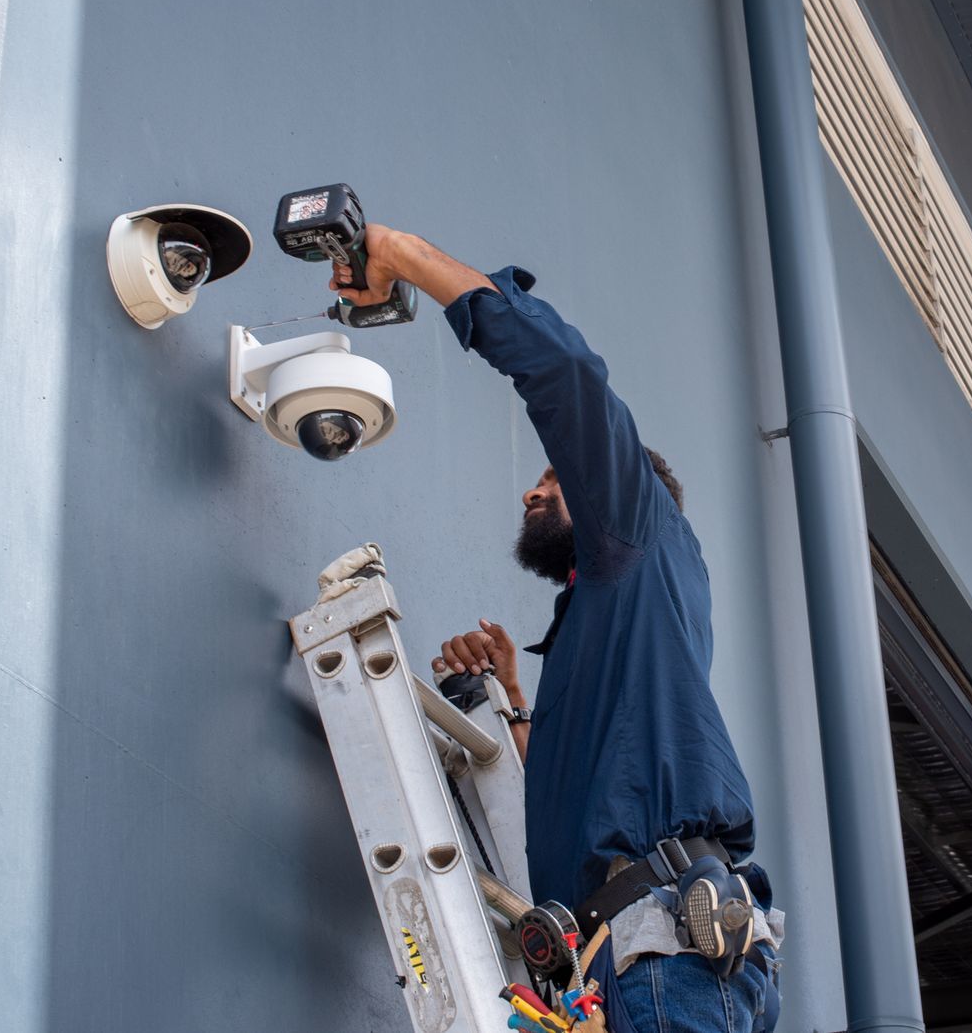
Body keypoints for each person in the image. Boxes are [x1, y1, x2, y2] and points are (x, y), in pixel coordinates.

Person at [330, 226, 781, 1033]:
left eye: (553, 480)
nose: (534, 495)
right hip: (629, 965)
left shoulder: (635, 525)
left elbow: (567, 376)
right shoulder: (617, 622)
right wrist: (507, 701)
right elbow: (595, 801)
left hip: (663, 955)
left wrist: (400, 256)